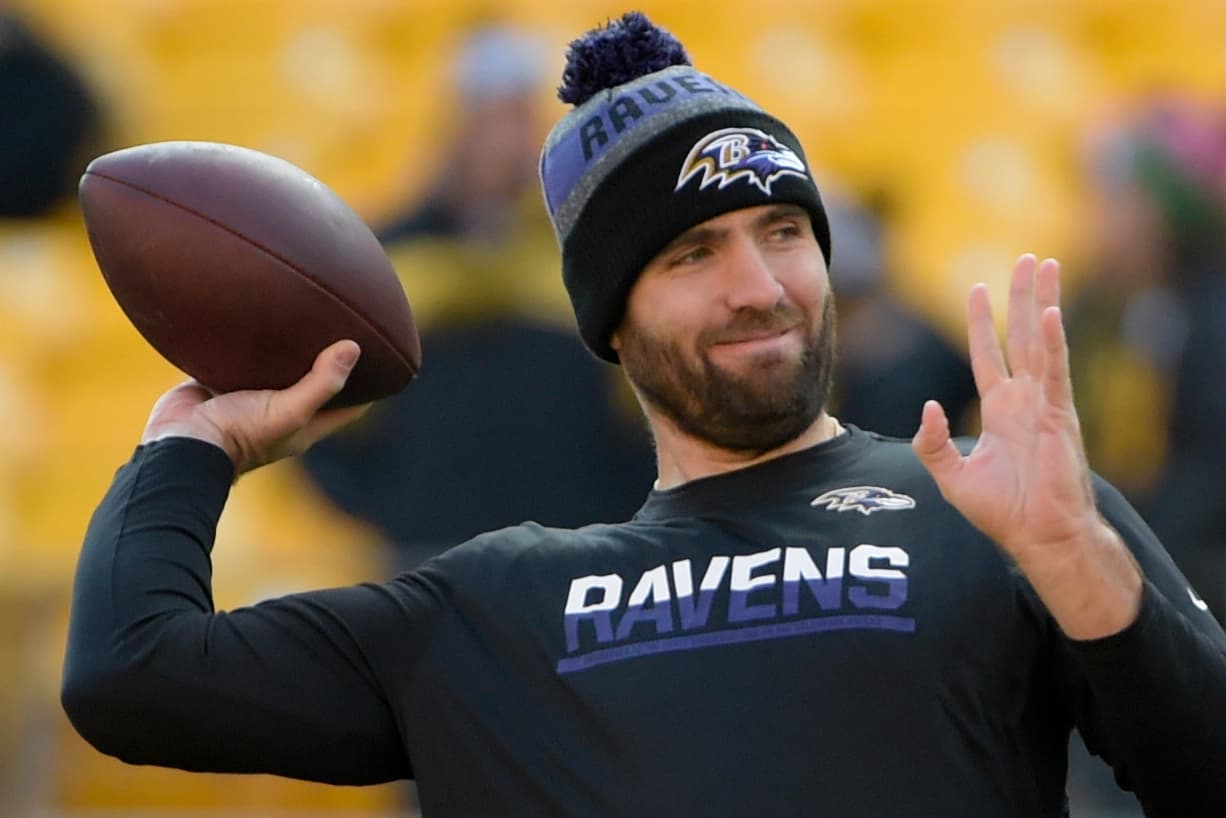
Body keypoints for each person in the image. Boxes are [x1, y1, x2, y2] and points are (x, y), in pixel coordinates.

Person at [61, 13, 1226, 817]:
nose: (760, 286)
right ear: (611, 318)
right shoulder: (493, 601)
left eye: (784, 233)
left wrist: (1083, 566)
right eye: (691, 252)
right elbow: (132, 672)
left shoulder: (994, 510)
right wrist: (194, 447)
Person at [300, 23, 655, 570]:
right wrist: (387, 507)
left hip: (574, 559)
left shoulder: (591, 248)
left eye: (522, 115)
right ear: (455, 123)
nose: (508, 139)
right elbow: (316, 405)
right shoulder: (380, 256)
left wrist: (614, 505)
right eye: (493, 116)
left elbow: (648, 397)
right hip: (428, 565)